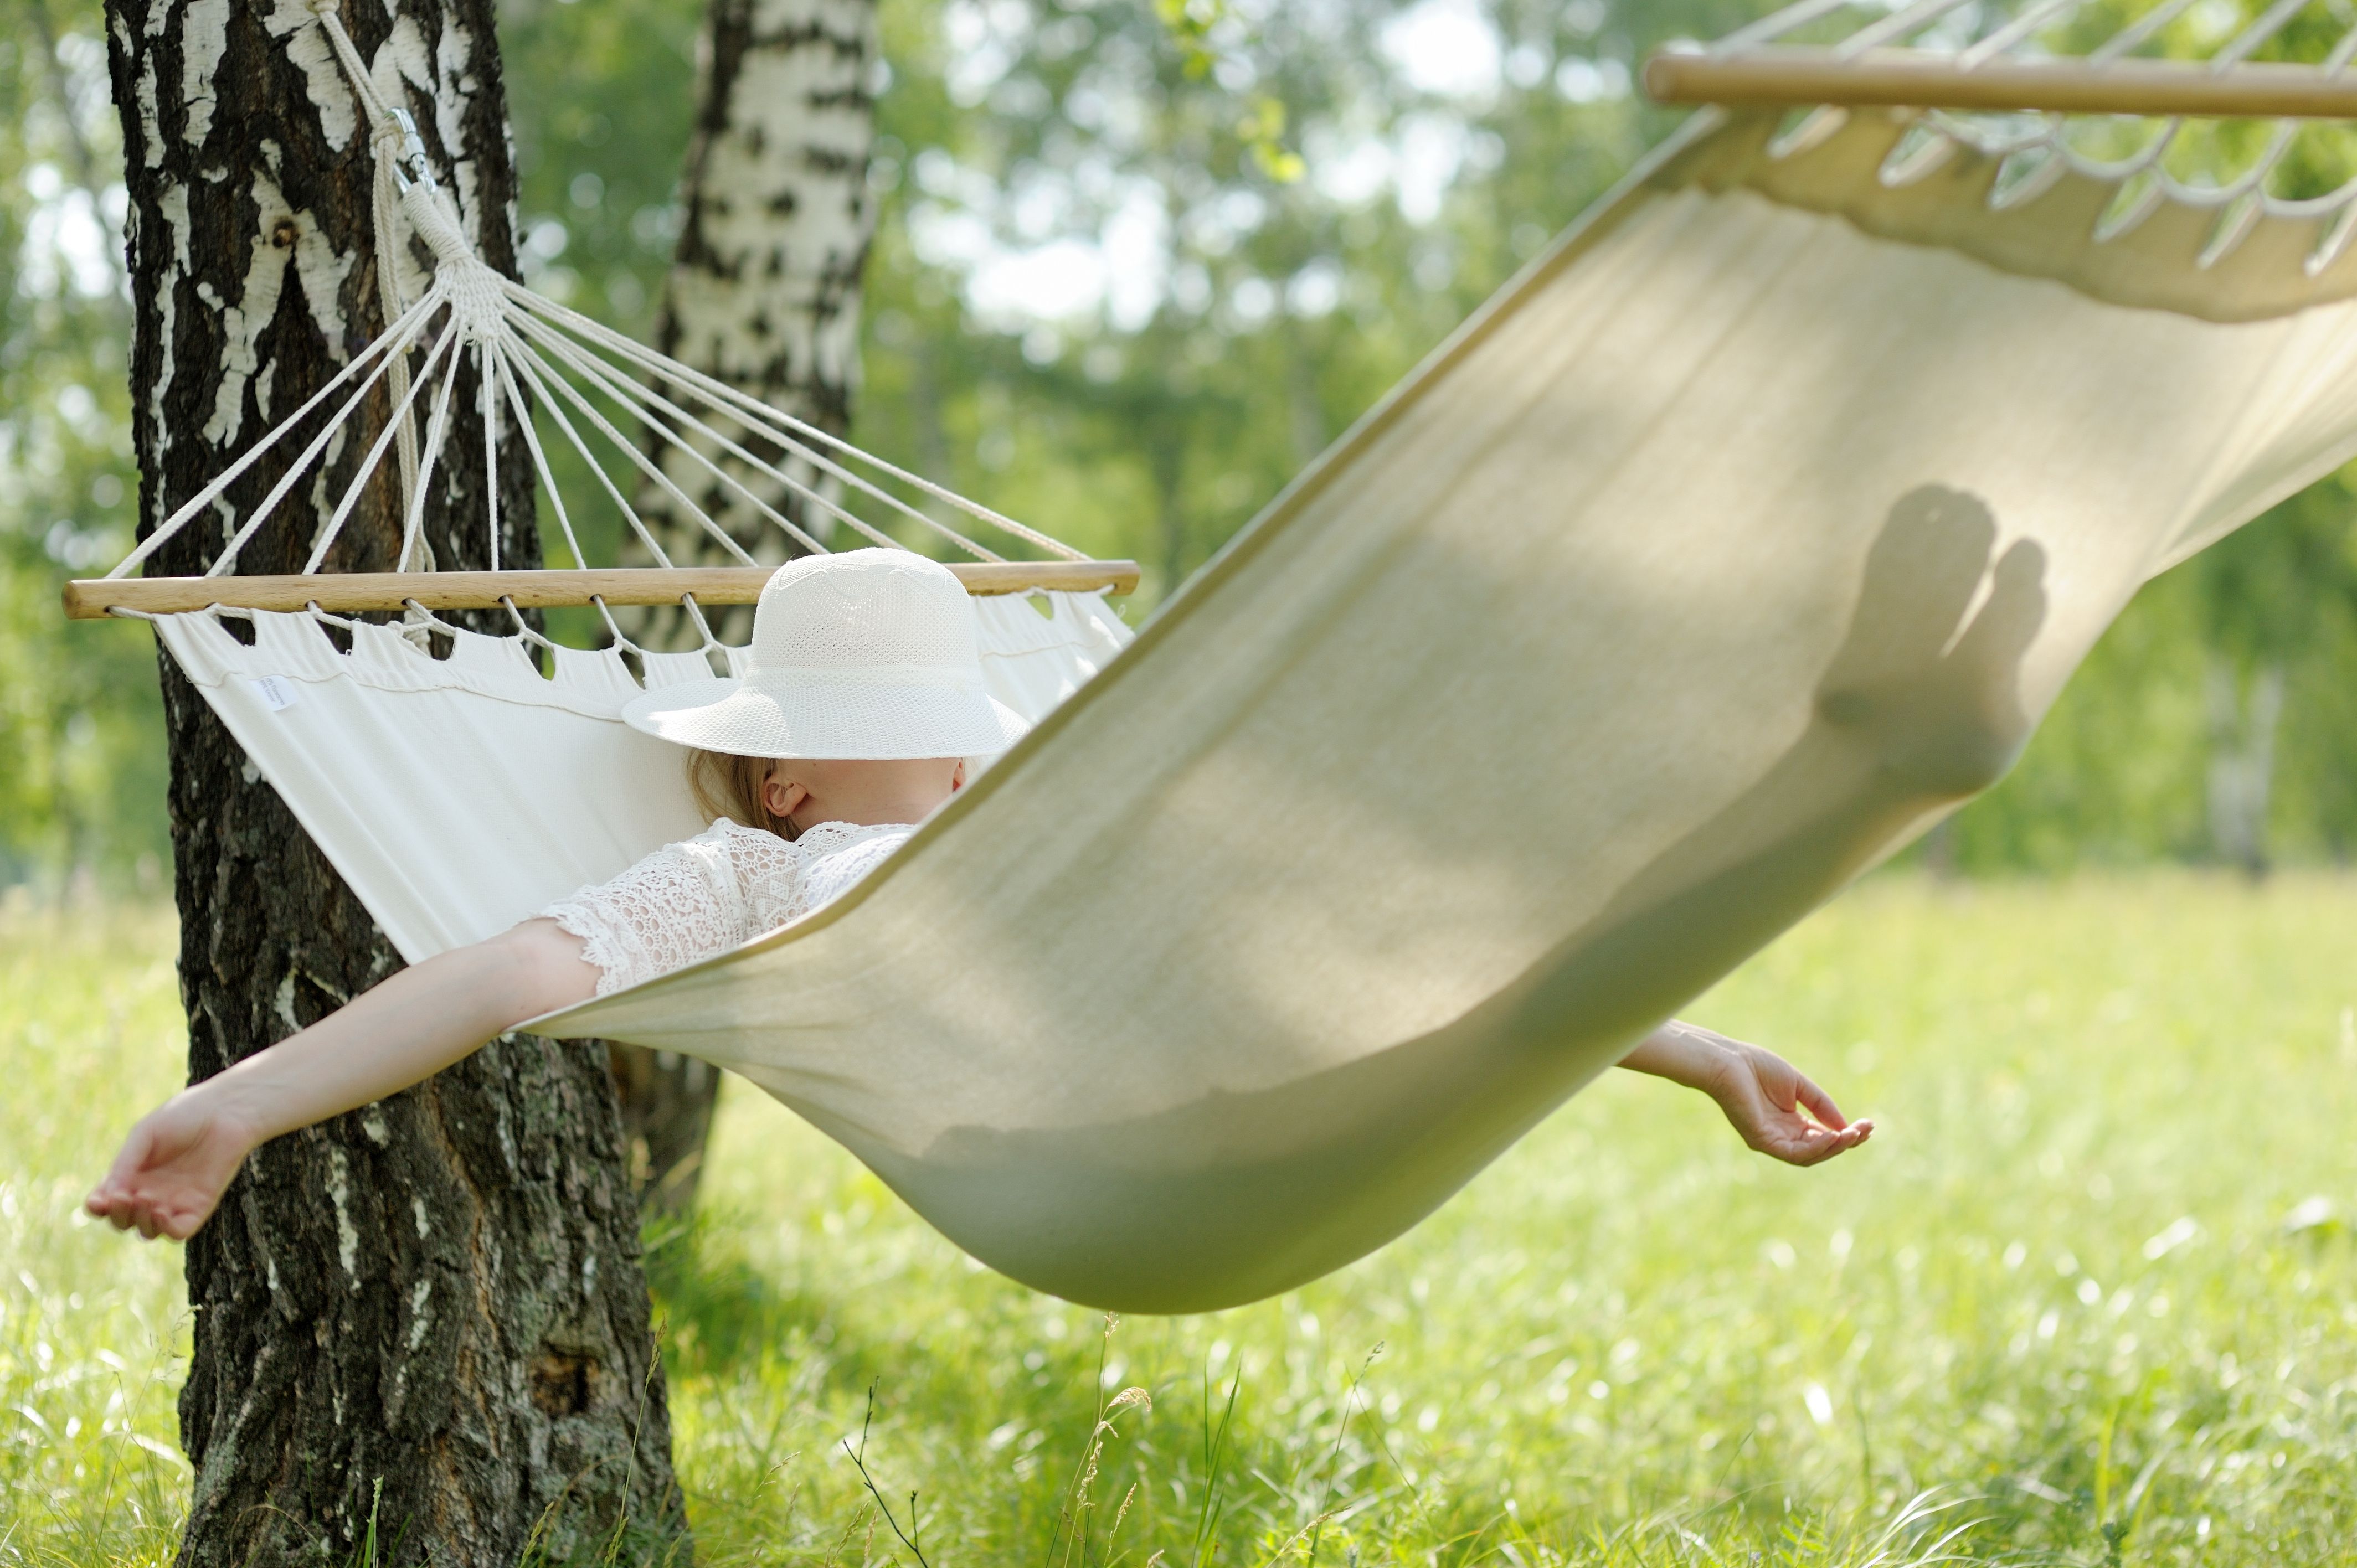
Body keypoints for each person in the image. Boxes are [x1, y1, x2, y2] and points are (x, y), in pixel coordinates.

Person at [86, 550, 1871, 1245]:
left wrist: (1697, 1047)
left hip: (1230, 1083)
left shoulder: (1048, 829)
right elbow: (496, 974)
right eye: (918, 737)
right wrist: (238, 1107)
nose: (960, 759)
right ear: (787, 776)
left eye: (962, 730)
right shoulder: (747, 877)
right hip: (1074, 1149)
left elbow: (1376, 963)